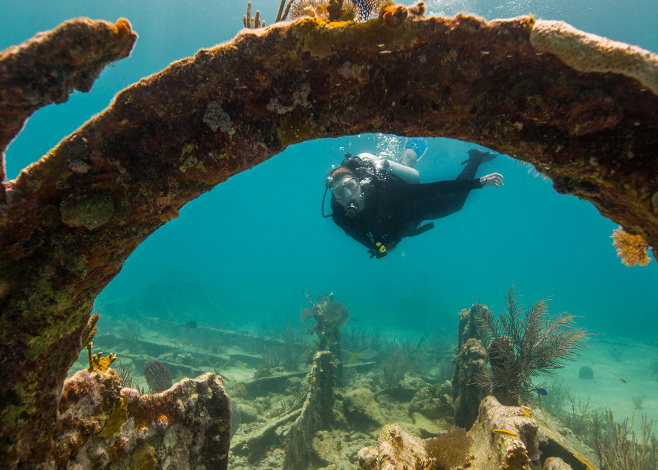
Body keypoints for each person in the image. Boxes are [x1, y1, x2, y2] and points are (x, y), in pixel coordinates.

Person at [323, 139, 503, 259]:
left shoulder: (386, 190)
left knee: (456, 203)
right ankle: (403, 162)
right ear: (335, 198)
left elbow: (433, 189)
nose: (348, 196)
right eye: (340, 193)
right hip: (401, 224)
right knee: (401, 174)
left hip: (415, 208)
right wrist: (378, 248)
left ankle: (475, 159)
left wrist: (477, 183)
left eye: (351, 187)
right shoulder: (340, 215)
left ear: (360, 183)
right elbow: (360, 236)